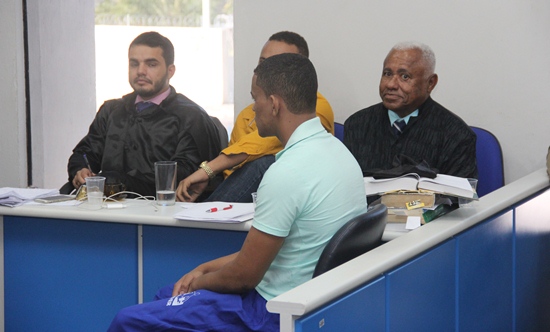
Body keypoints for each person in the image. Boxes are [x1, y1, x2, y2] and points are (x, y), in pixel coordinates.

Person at [107, 53, 367, 331]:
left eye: (256, 98)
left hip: (270, 312)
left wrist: (198, 281)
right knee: (166, 295)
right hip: (314, 301)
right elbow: (268, 253)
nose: (253, 109)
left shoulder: (287, 173)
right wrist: (205, 268)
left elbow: (244, 276)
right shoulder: (340, 154)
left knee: (129, 320)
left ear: (275, 104)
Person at [176, 31, 334, 203]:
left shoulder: (315, 106)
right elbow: (235, 177)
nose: (266, 71)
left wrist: (209, 169)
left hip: (294, 198)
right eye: (263, 63)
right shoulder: (247, 115)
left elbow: (264, 145)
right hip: (246, 203)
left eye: (277, 64)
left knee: (266, 163)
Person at [65, 31, 222, 197]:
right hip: (106, 208)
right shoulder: (112, 111)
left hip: (162, 211)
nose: (140, 71)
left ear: (170, 71)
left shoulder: (191, 117)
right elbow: (85, 153)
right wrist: (81, 170)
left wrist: (120, 182)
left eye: (151, 64)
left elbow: (184, 175)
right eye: (134, 64)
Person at [344, 42, 477, 179]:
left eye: (404, 77)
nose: (391, 84)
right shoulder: (357, 125)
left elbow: (459, 198)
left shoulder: (455, 135)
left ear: (430, 83)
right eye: (387, 74)